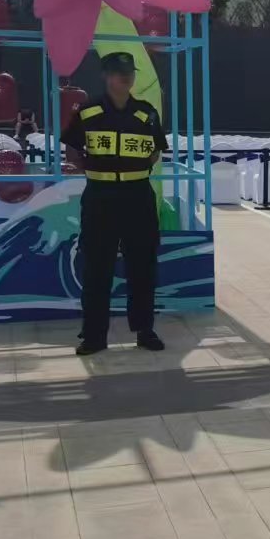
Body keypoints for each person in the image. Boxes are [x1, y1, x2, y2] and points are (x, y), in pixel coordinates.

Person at [62, 52, 167, 355]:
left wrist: (132, 168)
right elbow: (72, 147)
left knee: (143, 266)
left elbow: (155, 150)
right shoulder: (88, 112)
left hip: (138, 197)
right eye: (119, 72)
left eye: (129, 72)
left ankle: (145, 330)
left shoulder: (147, 113)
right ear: (105, 76)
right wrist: (88, 165)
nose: (126, 76)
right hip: (101, 197)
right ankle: (94, 336)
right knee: (97, 267)